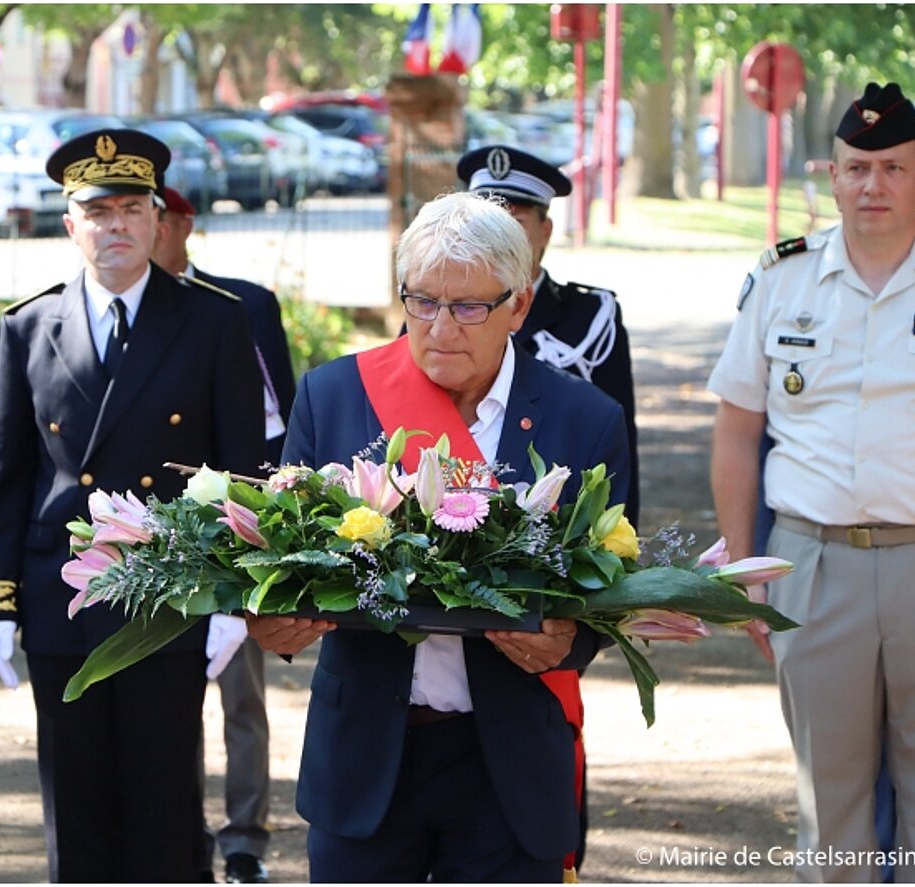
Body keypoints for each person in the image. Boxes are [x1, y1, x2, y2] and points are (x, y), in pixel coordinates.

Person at [247, 191, 631, 882]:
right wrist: (267, 616)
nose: (440, 327)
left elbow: (610, 586)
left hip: (508, 760)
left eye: (467, 307)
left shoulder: (586, 420)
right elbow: (286, 556)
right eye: (421, 301)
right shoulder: (333, 396)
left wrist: (573, 641)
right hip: (365, 752)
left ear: (518, 304)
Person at [0, 129, 267, 882]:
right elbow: (7, 475)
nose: (115, 226)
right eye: (96, 211)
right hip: (63, 594)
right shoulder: (29, 324)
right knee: (75, 810)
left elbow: (241, 473)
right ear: (69, 224)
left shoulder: (213, 321)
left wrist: (236, 593)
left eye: (132, 209)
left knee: (164, 803)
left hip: (170, 597)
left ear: (160, 220)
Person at [709, 81, 915, 882]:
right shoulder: (783, 277)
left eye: (892, 168)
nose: (873, 186)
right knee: (832, 809)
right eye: (857, 168)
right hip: (813, 566)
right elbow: (738, 428)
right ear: (833, 175)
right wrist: (745, 568)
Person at [152, 185, 294, 884]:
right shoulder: (113, 307)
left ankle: (245, 839)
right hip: (149, 543)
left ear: (182, 224)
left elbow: (281, 425)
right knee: (158, 694)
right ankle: (173, 830)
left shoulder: (240, 306)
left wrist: (264, 533)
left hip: (233, 530)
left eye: (156, 218)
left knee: (242, 692)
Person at [456, 145, 639, 525]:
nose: (497, 242)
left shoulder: (591, 316)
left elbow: (617, 444)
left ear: (546, 231)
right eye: (485, 224)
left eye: (515, 224)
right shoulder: (433, 315)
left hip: (557, 524)